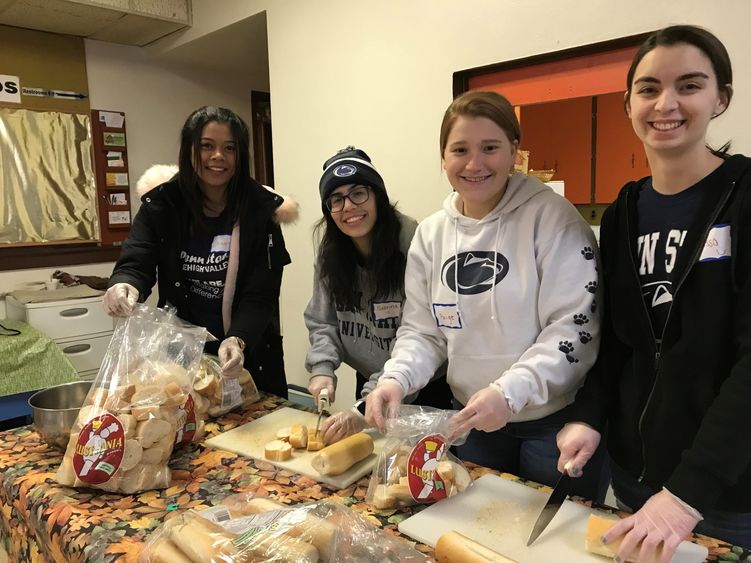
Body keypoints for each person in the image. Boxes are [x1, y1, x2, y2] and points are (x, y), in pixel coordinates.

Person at [556, 25, 751, 556]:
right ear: (628, 104)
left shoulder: (744, 197)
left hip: (725, 494)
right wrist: (589, 417)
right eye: (648, 89)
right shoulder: (624, 211)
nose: (666, 103)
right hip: (636, 473)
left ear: (721, 98)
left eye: (689, 86)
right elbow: (618, 342)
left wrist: (688, 494)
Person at [365, 91, 607, 500]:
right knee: (480, 530)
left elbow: (572, 331)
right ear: (443, 157)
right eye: (460, 149)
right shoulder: (431, 233)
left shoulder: (553, 219)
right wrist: (396, 378)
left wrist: (509, 392)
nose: (474, 164)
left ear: (514, 150)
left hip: (553, 427)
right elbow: (424, 332)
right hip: (471, 424)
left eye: (490, 148)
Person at [103, 106, 295, 398]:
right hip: (180, 354)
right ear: (190, 150)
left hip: (249, 352)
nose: (218, 156)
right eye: (207, 146)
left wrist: (238, 338)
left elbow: (262, 293)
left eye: (229, 148)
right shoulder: (163, 204)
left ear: (240, 155)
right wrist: (124, 283)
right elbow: (138, 256)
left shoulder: (260, 211)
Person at [305, 146, 452, 444]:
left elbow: (419, 334)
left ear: (378, 196)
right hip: (371, 377)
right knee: (378, 470)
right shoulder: (331, 252)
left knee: (424, 474)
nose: (348, 206)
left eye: (358, 193)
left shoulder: (413, 243)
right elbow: (323, 321)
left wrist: (362, 407)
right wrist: (322, 370)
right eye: (336, 199)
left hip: (424, 382)